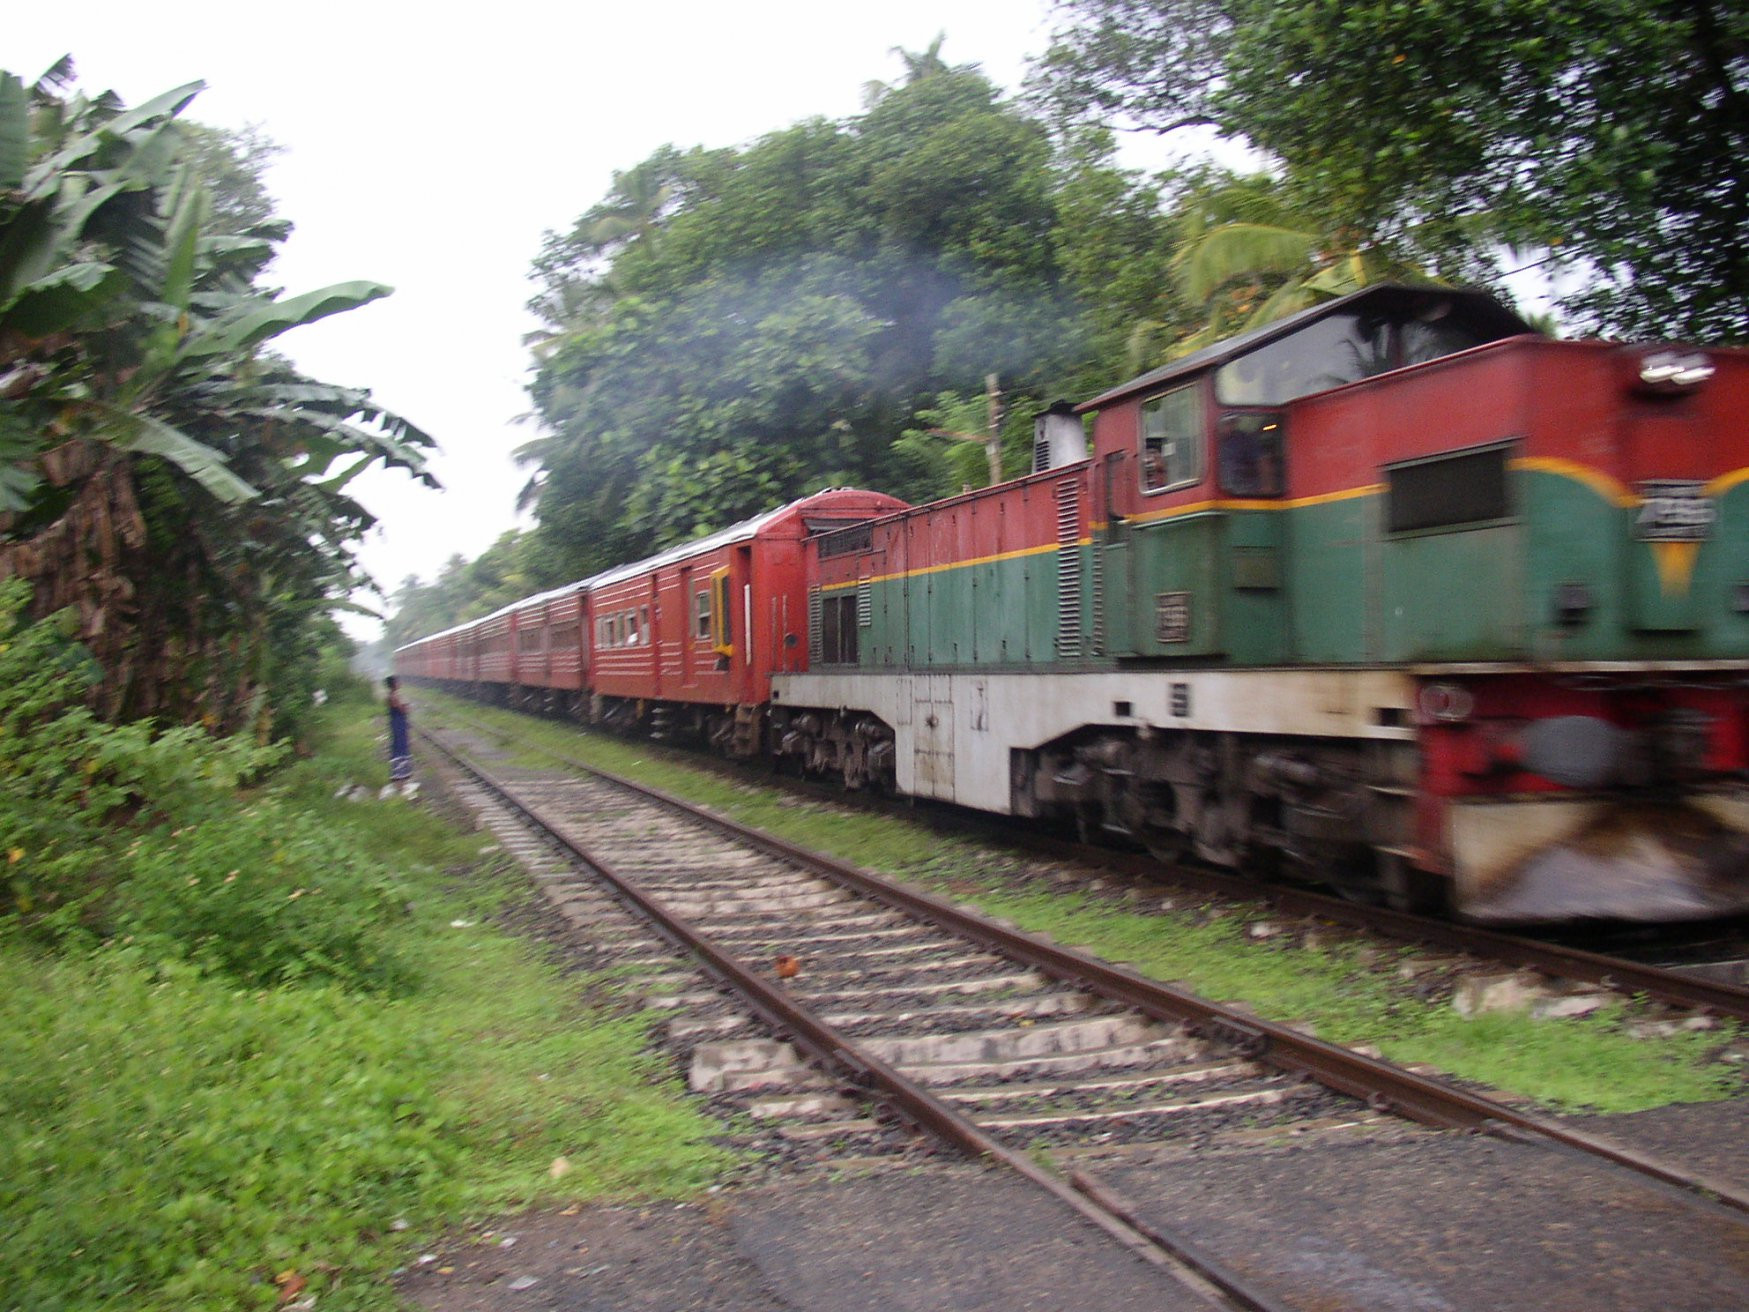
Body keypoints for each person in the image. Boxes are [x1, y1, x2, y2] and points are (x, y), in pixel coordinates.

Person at [385, 675, 412, 788]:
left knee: (398, 746)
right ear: (394, 684)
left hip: (396, 722)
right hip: (398, 723)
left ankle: (399, 773)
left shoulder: (391, 695)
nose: (399, 683)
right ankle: (400, 774)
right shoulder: (394, 696)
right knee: (400, 746)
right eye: (397, 681)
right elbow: (403, 709)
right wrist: (406, 705)